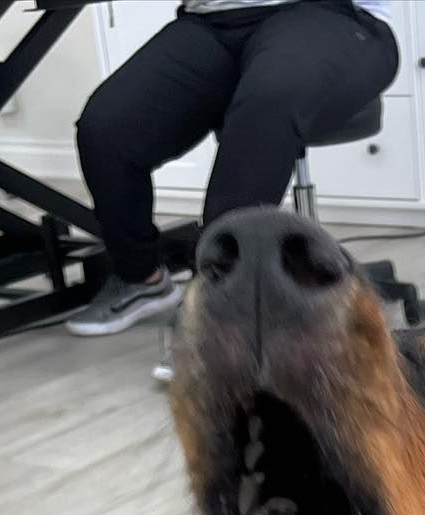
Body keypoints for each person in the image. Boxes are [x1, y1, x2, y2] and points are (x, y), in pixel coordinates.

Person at [68, 0, 397, 337]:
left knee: (269, 98)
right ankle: (141, 276)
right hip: (213, 19)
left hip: (329, 14)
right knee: (106, 129)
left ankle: (222, 308)